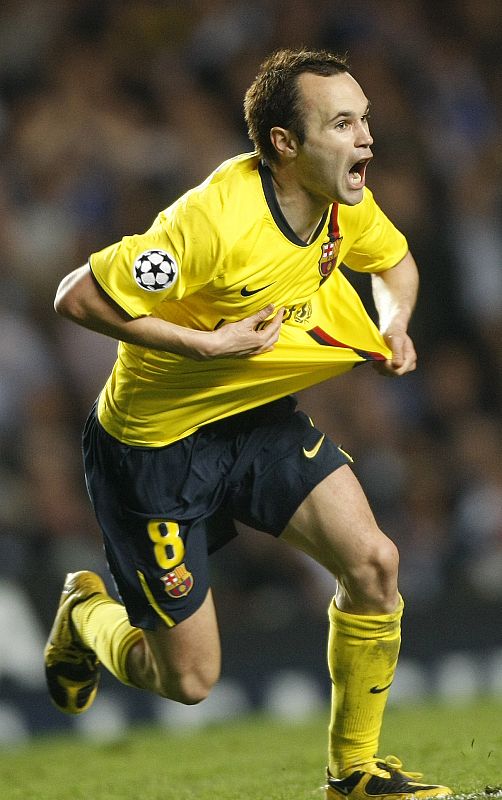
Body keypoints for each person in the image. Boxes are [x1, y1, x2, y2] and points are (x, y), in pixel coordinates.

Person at [46, 48, 451, 799]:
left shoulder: (342, 205)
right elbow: (77, 295)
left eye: (364, 118)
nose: (366, 138)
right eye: (342, 123)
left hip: (254, 422)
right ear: (283, 144)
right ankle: (86, 613)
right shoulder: (214, 223)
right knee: (190, 680)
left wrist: (395, 327)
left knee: (374, 564)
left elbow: (395, 265)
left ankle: (352, 774)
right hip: (154, 450)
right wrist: (208, 342)